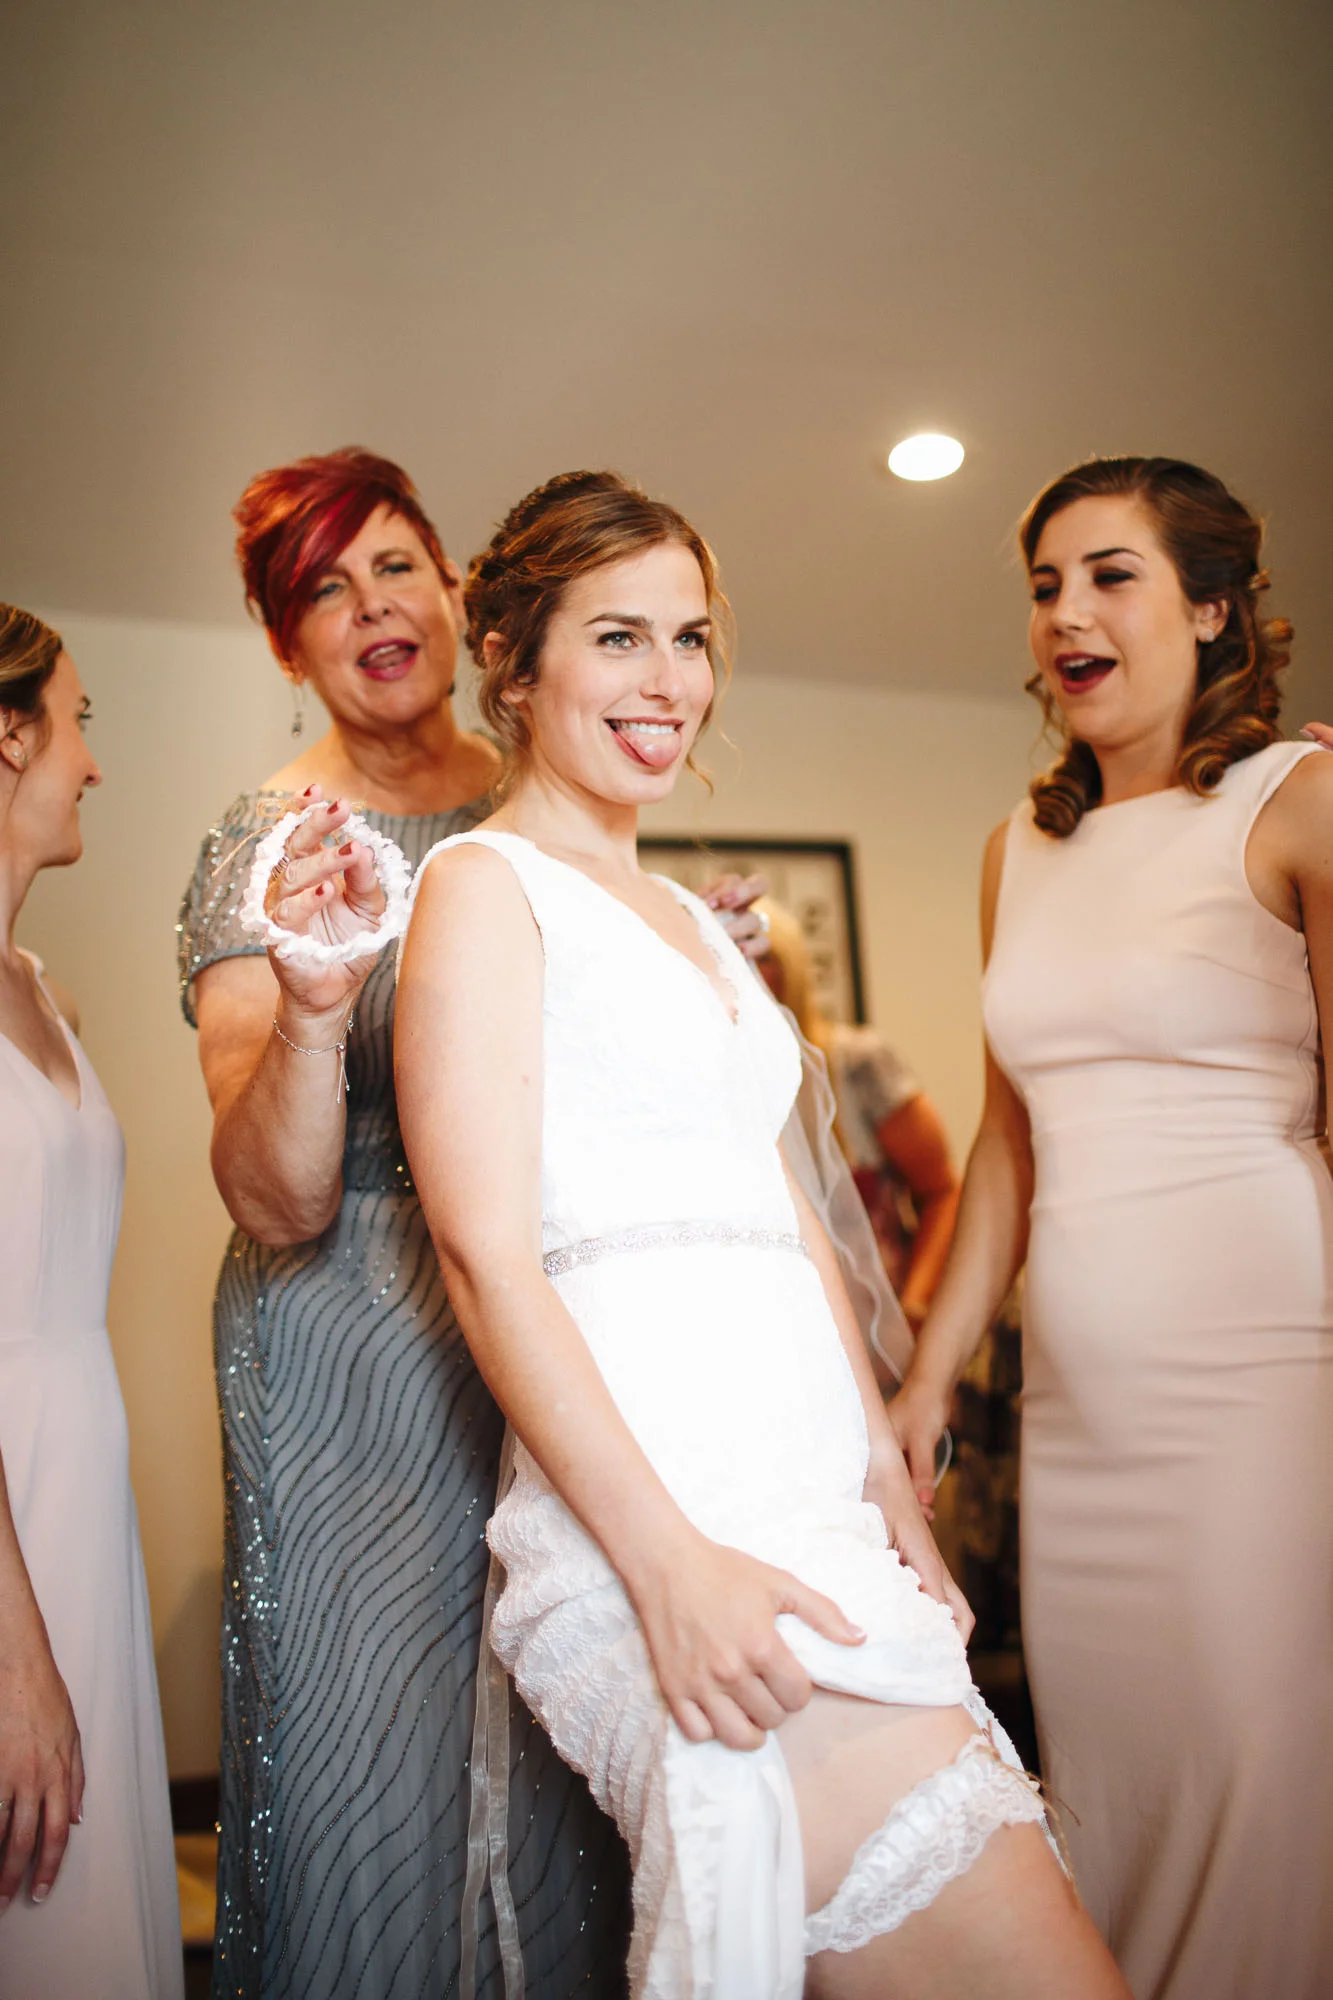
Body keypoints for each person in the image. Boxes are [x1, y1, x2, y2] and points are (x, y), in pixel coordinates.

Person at [394, 470, 1130, 1999]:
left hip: (813, 1508)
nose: (669, 682)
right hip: (667, 1520)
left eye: (691, 638)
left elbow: (788, 1222)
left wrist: (889, 1489)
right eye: (618, 638)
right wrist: (667, 1564)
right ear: (512, 662)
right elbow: (482, 1258)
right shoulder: (480, 887)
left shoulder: (684, 924)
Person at [177, 448, 765, 1999]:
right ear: (286, 644)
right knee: (379, 1751)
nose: (373, 608)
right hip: (355, 1354)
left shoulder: (558, 801)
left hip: (555, 1323)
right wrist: (314, 1011)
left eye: (394, 566)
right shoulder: (272, 845)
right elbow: (273, 1193)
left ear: (459, 595)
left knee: (578, 1734)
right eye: (322, 590)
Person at [889, 455, 1333, 2000]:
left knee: (1261, 1793)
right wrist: (928, 1379)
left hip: (1263, 1397)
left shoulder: (1298, 803)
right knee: (1113, 1804)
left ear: (1211, 609)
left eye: (1110, 575)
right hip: (1078, 1423)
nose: (1065, 612)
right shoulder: (1017, 849)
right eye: (1043, 585)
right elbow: (1005, 1143)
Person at [0, 606, 182, 1998]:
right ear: (9, 736)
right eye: (79, 722)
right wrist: (14, 1655)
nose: (94, 764)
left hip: (80, 1484)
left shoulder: (43, 991)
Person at [755, 897, 960, 1330]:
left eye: (764, 955)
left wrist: (915, 1306)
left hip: (879, 1327)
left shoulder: (857, 1063)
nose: (745, 967)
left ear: (791, 968)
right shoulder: (711, 1087)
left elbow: (942, 1191)